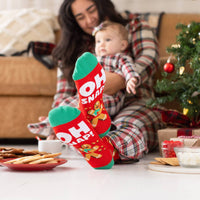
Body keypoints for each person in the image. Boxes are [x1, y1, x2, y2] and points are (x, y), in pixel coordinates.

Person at [28, 0, 165, 162]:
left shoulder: (134, 25)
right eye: (80, 17)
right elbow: (64, 92)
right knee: (78, 117)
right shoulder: (70, 48)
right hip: (91, 106)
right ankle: (72, 134)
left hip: (135, 101)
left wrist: (120, 80)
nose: (89, 20)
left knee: (132, 125)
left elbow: (149, 59)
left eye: (91, 10)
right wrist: (59, 119)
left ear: (102, 5)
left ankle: (108, 149)